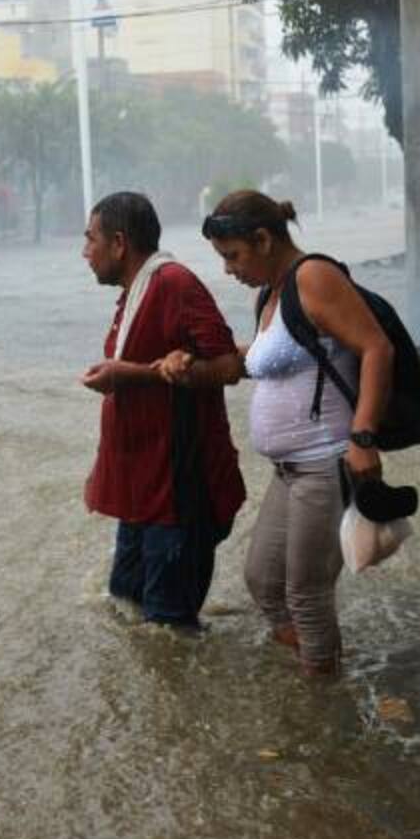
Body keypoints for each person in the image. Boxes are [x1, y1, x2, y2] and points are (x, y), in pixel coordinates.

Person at [195, 190, 393, 676]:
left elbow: (376, 348)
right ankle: (319, 670)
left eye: (233, 256)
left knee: (306, 593)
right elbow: (266, 358)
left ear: (263, 240)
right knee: (264, 581)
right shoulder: (272, 293)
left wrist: (363, 437)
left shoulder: (314, 277)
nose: (228, 270)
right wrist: (194, 365)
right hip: (289, 472)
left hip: (325, 464)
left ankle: (324, 699)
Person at [81, 192, 246, 629]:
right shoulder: (135, 293)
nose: (84, 252)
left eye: (90, 239)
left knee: (169, 629)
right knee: (125, 606)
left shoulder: (174, 284)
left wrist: (132, 374)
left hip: (179, 493)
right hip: (142, 491)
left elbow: (229, 366)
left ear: (119, 243)